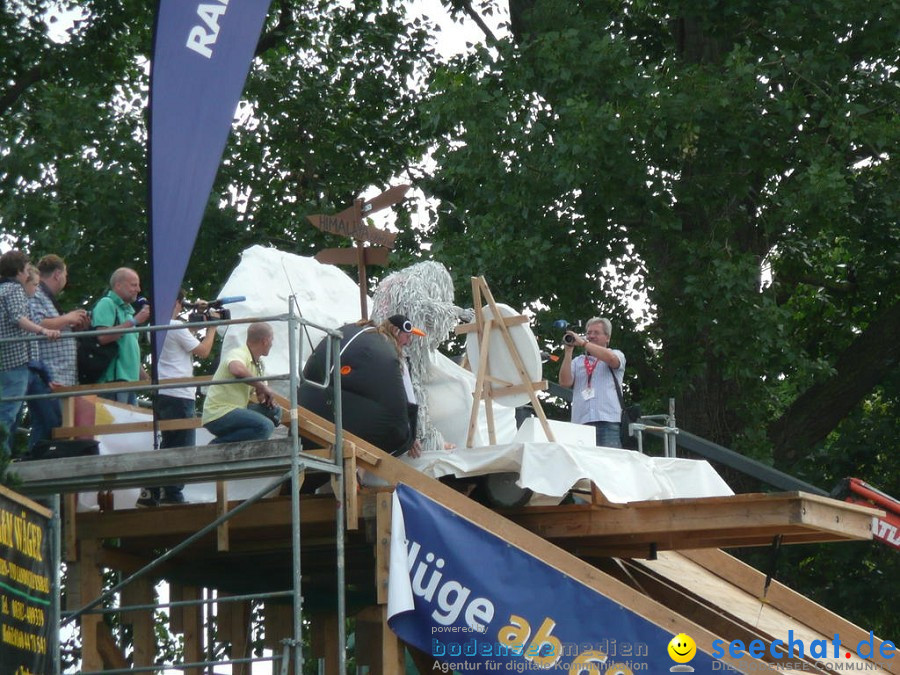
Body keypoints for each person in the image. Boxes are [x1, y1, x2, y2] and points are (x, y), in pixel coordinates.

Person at [298, 314, 426, 459]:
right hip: (341, 420)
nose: (408, 343)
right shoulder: (389, 354)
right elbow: (407, 397)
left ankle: (356, 474)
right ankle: (358, 476)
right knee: (376, 440)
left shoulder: (361, 334)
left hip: (307, 405)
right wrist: (410, 436)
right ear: (396, 331)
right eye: (408, 337)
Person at [136, 290, 218, 507]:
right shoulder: (174, 327)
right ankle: (171, 494)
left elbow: (184, 334)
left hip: (163, 393)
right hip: (180, 394)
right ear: (175, 303)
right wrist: (212, 328)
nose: (182, 307)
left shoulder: (155, 328)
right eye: (181, 304)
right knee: (183, 447)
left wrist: (200, 317)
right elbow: (203, 351)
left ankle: (151, 491)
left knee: (169, 444)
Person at [0, 251, 60, 457]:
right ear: (19, 271)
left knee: (9, 412)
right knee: (9, 413)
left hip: (6, 359)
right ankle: (3, 461)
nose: (28, 273)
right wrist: (43, 330)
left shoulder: (2, 289)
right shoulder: (15, 290)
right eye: (26, 269)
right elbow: (18, 318)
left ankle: (5, 458)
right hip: (16, 359)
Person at [26, 255, 90, 450]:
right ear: (57, 274)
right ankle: (31, 465)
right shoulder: (37, 294)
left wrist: (73, 325)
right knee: (48, 424)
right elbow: (35, 323)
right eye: (66, 274)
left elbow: (52, 325)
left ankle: (35, 462)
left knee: (54, 424)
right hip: (49, 374)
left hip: (59, 375)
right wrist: (68, 318)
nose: (66, 279)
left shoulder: (46, 297)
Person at [201, 322, 280, 445]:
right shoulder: (238, 353)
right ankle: (217, 445)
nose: (272, 344)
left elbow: (260, 396)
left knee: (275, 411)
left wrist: (265, 398)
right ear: (265, 341)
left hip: (236, 410)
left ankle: (236, 437)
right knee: (266, 427)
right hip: (219, 413)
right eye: (271, 340)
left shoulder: (259, 365)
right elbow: (236, 369)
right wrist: (262, 386)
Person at [558, 317, 626, 448]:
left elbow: (612, 360)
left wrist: (583, 343)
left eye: (596, 333)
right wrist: (568, 352)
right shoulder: (578, 361)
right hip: (581, 423)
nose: (591, 336)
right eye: (589, 333)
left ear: (607, 337)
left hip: (607, 422)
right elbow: (564, 382)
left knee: (609, 464)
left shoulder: (616, 354)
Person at [92, 267, 151, 405]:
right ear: (118, 285)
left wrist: (146, 379)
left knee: (131, 425)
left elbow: (129, 350)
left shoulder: (128, 313)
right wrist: (134, 321)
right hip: (113, 381)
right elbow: (102, 336)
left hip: (128, 382)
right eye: (134, 285)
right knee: (119, 425)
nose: (138, 289)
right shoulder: (107, 303)